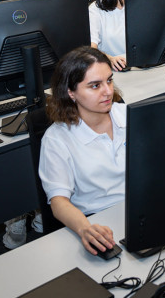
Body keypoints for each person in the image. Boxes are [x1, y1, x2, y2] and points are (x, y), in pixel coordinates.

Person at [38, 46, 125, 255]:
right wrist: (85, 228)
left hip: (138, 207)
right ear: (71, 92)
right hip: (97, 220)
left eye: (109, 81)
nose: (108, 91)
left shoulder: (129, 115)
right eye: (95, 86)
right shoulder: (57, 138)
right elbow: (59, 202)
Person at [88, 0, 133, 72]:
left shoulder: (137, 3)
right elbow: (91, 48)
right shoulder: (95, 10)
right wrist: (110, 59)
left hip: (135, 63)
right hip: (111, 68)